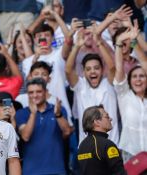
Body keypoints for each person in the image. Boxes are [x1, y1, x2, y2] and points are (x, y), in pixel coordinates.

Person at [66, 28, 120, 145]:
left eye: (96, 68)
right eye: (88, 69)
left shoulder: (109, 84)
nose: (93, 72)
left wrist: (99, 42)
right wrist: (76, 46)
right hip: (87, 148)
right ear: (84, 72)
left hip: (111, 145)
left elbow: (112, 67)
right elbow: (68, 70)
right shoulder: (80, 86)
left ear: (102, 70)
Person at [16, 78, 72, 174]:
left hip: (56, 170)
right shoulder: (22, 113)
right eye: (31, 92)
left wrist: (58, 115)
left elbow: (67, 132)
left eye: (38, 92)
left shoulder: (59, 110)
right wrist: (33, 114)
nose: (35, 95)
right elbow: (25, 136)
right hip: (31, 171)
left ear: (46, 92)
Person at [113, 25, 147, 162]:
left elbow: (144, 62)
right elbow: (119, 67)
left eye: (142, 76)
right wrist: (119, 43)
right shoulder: (124, 95)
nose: (138, 80)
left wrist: (134, 41)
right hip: (131, 154)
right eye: (134, 76)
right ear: (129, 80)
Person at [78, 105, 126, 175]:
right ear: (97, 122)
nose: (111, 119)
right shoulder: (107, 145)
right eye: (107, 117)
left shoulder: (82, 145)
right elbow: (119, 172)